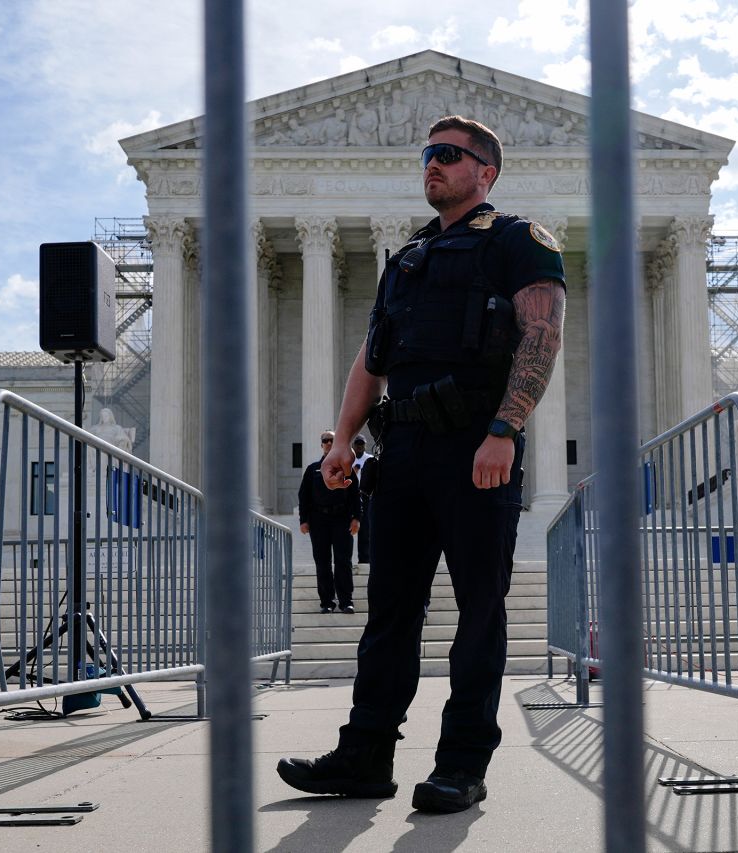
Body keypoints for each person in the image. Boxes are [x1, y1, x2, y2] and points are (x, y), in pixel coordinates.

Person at [277, 115, 566, 813]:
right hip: (401, 452)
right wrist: (343, 441)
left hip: (475, 448)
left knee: (478, 611)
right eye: (427, 155)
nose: (431, 165)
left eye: (447, 154)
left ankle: (462, 762)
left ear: (485, 171)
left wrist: (505, 428)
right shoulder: (405, 260)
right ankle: (366, 752)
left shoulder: (516, 241)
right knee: (389, 614)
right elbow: (370, 358)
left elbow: (543, 334)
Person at [298, 430, 361, 614]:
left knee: (343, 561)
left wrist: (356, 518)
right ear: (321, 445)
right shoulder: (312, 470)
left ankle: (346, 601)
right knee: (322, 562)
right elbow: (304, 497)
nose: (328, 443)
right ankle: (326, 602)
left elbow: (355, 495)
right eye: (325, 441)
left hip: (341, 519)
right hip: (319, 520)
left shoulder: (346, 469)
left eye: (331, 440)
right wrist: (304, 520)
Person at [351, 435, 373, 563]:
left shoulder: (370, 459)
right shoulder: (348, 460)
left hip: (366, 496)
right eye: (357, 444)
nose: (359, 446)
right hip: (351, 496)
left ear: (365, 445)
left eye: (361, 444)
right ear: (353, 445)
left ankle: (365, 559)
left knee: (365, 530)